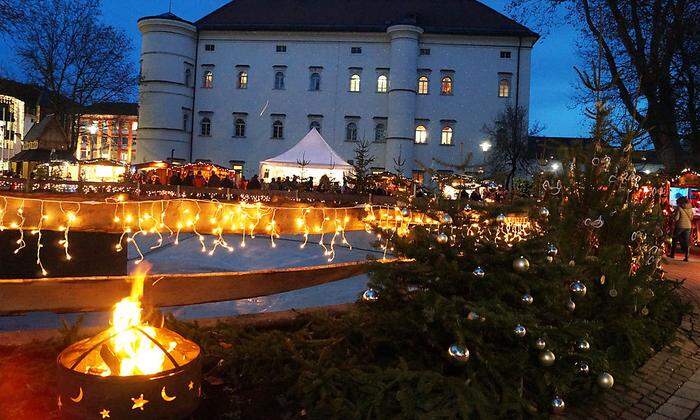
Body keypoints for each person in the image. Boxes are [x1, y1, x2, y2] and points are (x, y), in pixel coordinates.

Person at [670, 196, 693, 262]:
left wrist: (672, 216)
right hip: (688, 226)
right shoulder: (690, 208)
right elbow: (691, 217)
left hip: (680, 226)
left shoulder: (679, 208)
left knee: (674, 239)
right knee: (686, 241)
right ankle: (686, 257)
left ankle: (672, 254)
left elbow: (676, 218)